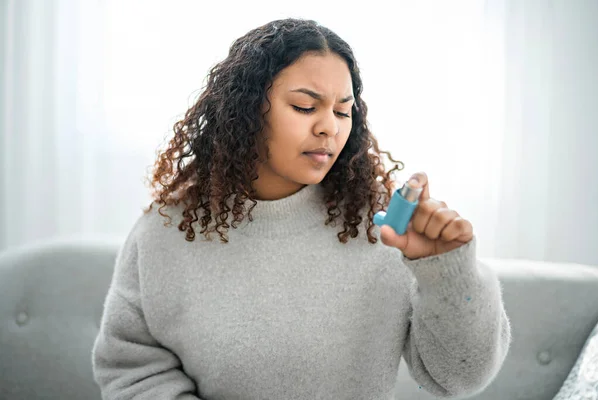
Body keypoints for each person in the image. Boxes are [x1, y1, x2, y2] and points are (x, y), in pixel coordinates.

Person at [92, 18, 511, 400]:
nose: (329, 126)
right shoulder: (167, 229)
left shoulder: (381, 229)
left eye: (343, 111)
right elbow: (133, 369)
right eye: (305, 107)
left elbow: (457, 379)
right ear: (245, 111)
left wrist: (446, 273)